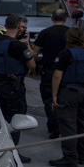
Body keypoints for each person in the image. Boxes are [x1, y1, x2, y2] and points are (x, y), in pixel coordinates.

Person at [49, 27, 84, 167]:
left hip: (70, 92)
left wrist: (54, 95)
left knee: (68, 125)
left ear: (68, 38)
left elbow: (57, 76)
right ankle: (81, 157)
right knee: (83, 125)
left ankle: (69, 157)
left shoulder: (66, 54)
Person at [0, 14, 36, 162]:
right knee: (16, 118)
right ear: (17, 27)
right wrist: (27, 43)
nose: (24, 30)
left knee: (0, 117)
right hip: (13, 87)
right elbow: (32, 64)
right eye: (23, 27)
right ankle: (12, 151)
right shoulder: (17, 45)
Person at [33, 8, 71, 139]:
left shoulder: (45, 33)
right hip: (67, 72)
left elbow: (35, 53)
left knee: (49, 99)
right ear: (66, 19)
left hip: (49, 70)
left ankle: (53, 125)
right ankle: (62, 125)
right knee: (64, 98)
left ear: (51, 18)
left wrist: (32, 67)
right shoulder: (70, 33)